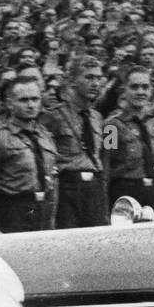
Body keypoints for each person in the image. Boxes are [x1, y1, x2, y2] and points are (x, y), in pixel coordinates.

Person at [0, 76, 59, 233]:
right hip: (15, 210)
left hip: (44, 208)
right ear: (10, 103)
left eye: (35, 99)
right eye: (24, 100)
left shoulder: (45, 135)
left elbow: (53, 179)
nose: (31, 105)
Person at [44, 55, 108, 228]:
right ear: (72, 81)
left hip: (95, 188)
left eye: (98, 78)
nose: (95, 83)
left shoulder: (99, 118)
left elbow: (108, 153)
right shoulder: (53, 116)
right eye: (88, 77)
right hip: (68, 188)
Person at [103, 67, 154, 217]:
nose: (140, 92)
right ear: (124, 90)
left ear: (151, 91)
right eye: (134, 87)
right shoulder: (112, 126)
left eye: (145, 87)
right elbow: (105, 167)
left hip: (153, 192)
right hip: (125, 195)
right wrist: (104, 209)